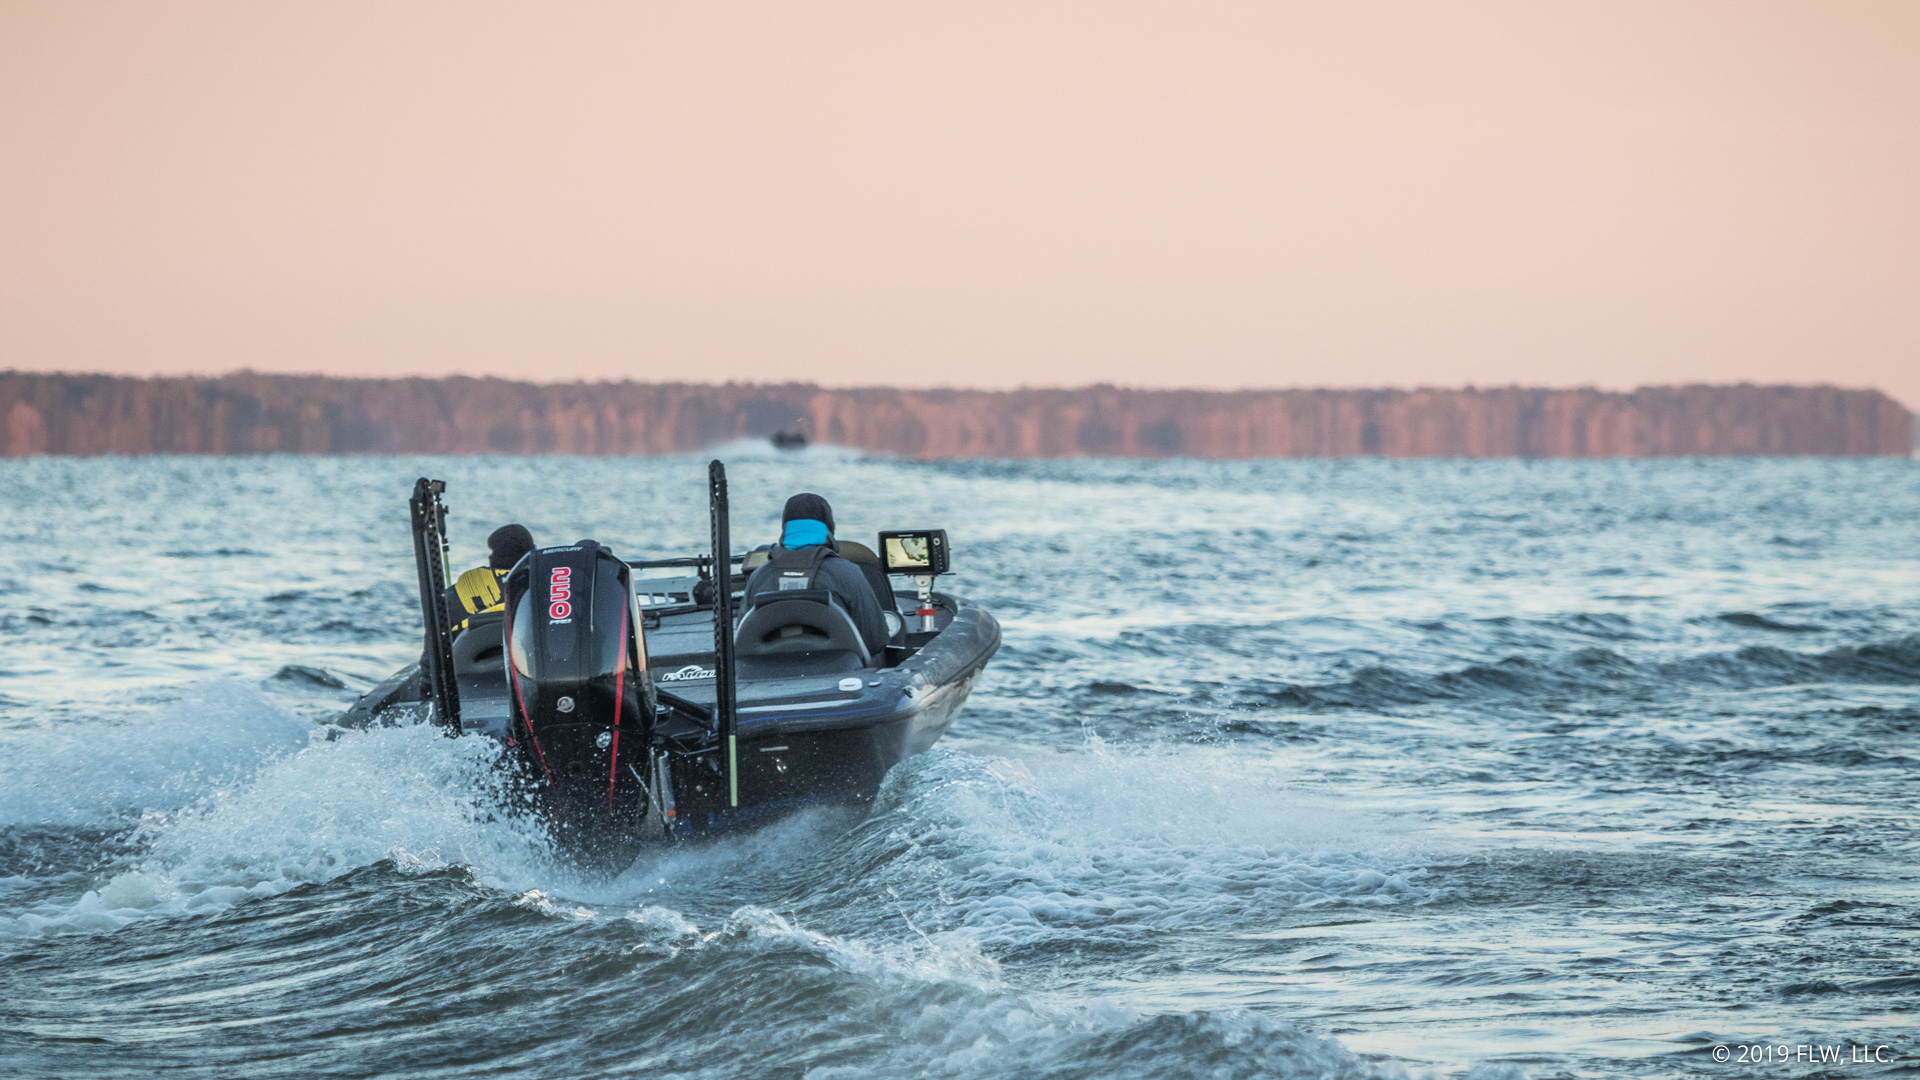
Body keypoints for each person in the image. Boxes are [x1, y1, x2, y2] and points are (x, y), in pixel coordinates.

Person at [743, 493, 890, 654]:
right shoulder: (848, 573)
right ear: (829, 527)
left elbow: (744, 638)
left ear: (785, 527)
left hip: (768, 673)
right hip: (839, 672)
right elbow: (876, 640)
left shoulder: (758, 576)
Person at [446, 524, 536, 634]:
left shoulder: (454, 593)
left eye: (492, 552)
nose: (490, 557)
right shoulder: (544, 582)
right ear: (531, 551)